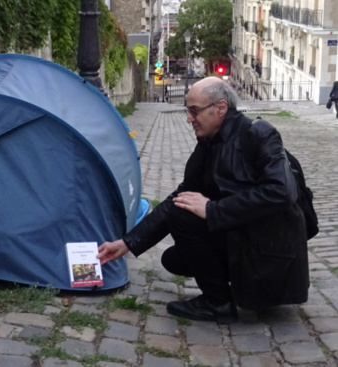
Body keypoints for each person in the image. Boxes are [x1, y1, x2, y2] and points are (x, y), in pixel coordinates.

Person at [97, 77, 309, 324]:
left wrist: (212, 209)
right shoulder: (208, 143)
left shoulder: (259, 134)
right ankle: (227, 290)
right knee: (175, 257)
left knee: (183, 218)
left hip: (270, 250)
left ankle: (218, 304)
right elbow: (180, 197)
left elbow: (282, 192)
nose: (189, 119)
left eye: (194, 111)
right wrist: (127, 243)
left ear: (220, 109)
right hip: (243, 235)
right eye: (189, 111)